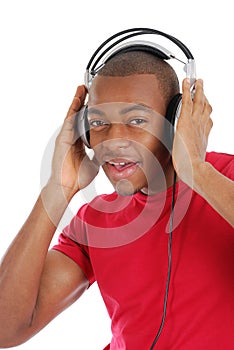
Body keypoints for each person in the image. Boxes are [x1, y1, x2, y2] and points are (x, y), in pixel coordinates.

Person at [0, 40, 233, 350]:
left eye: (137, 120)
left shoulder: (226, 177)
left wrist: (198, 172)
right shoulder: (94, 223)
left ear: (176, 122)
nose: (114, 140)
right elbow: (6, 328)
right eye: (98, 123)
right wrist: (58, 190)